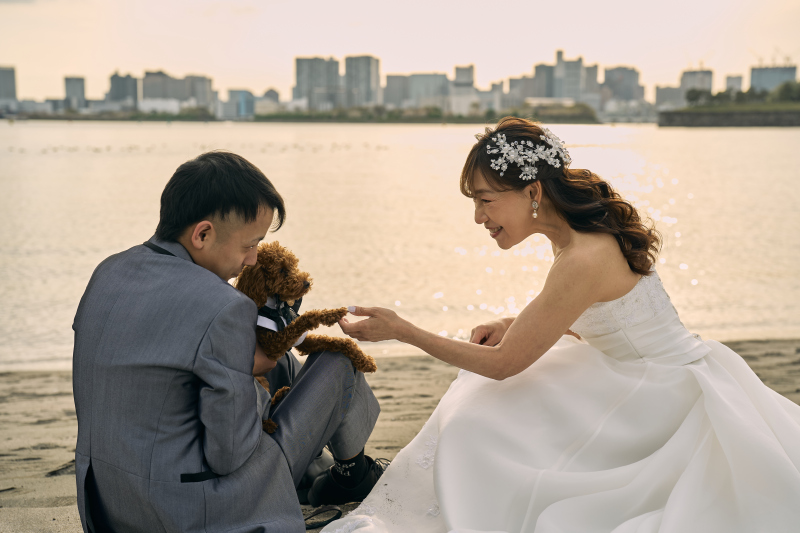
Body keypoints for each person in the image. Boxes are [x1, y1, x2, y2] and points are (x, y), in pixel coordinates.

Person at [323, 117, 800, 532]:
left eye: (486, 200)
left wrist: (404, 330)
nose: (477, 217)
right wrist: (517, 321)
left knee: (481, 410)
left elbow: (505, 364)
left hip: (661, 396)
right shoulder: (575, 238)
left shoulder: (584, 254)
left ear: (533, 191)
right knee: (486, 407)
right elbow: (603, 313)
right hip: (634, 371)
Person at [72, 151, 383, 533]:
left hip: (112, 504)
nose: (253, 260)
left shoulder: (108, 272)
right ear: (202, 234)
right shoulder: (224, 306)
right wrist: (248, 376)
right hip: (201, 510)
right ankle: (351, 473)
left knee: (281, 361)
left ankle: (328, 468)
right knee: (337, 363)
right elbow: (229, 453)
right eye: (249, 245)